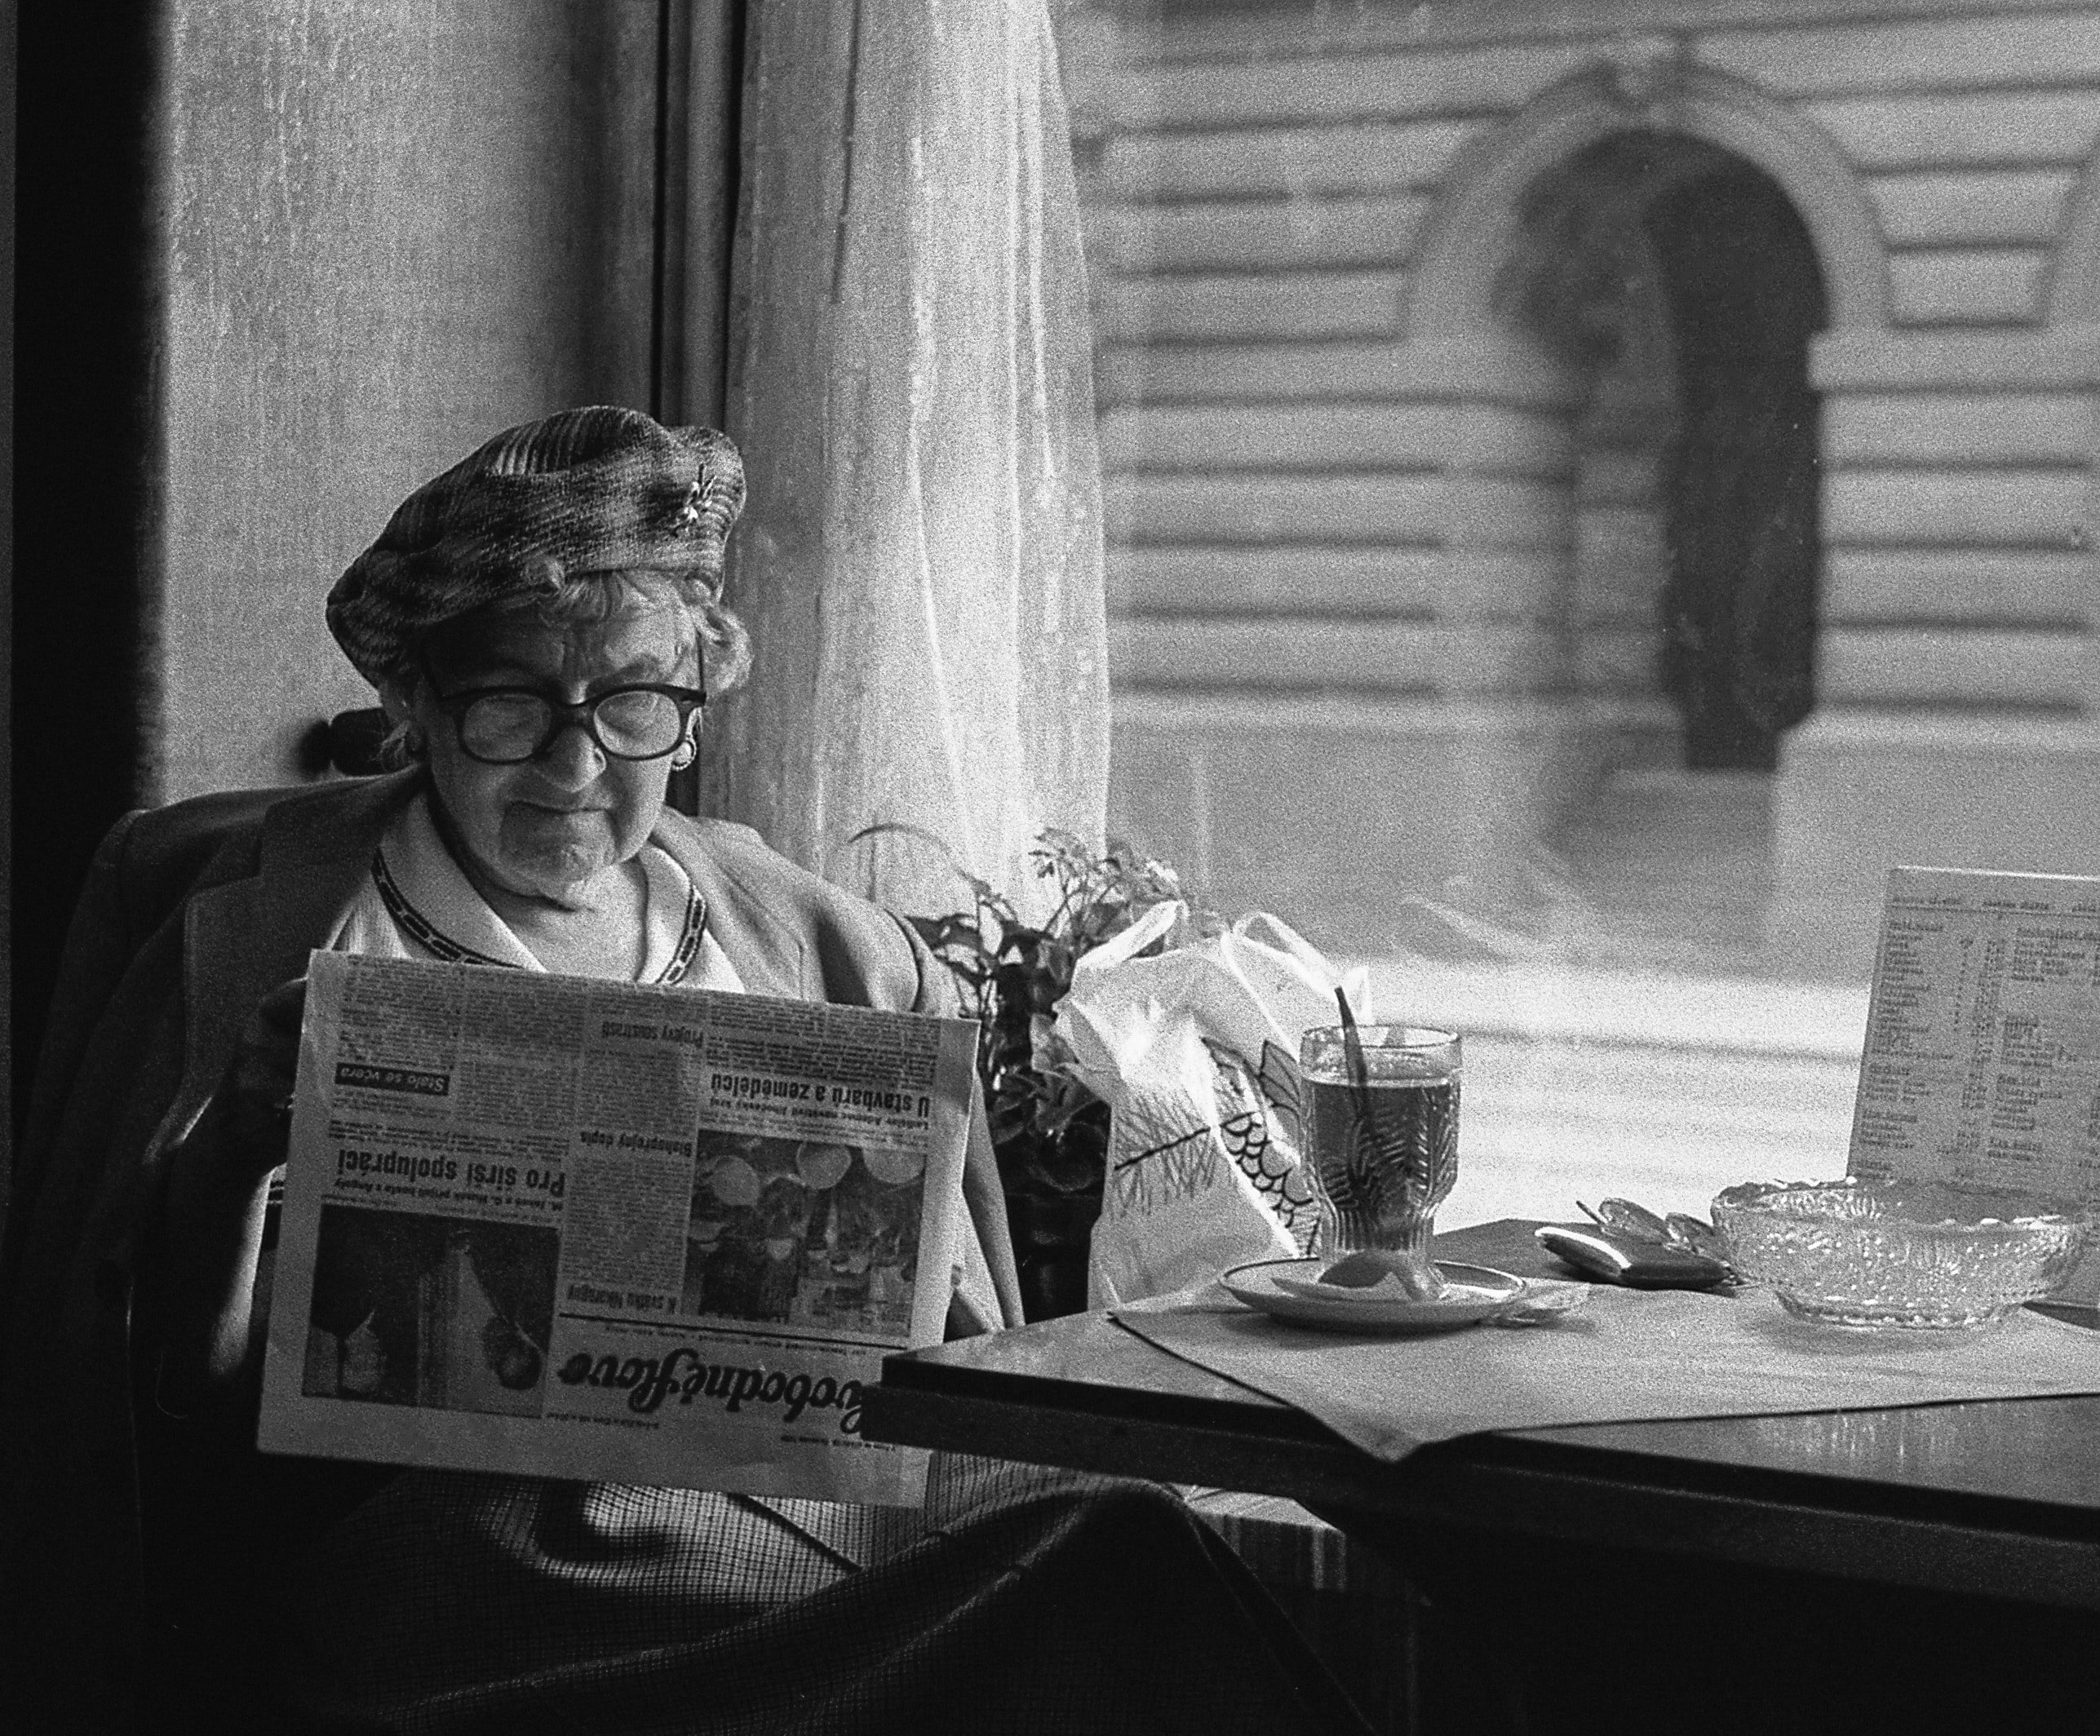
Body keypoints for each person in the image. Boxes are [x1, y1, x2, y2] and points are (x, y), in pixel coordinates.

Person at [0, 407, 1372, 1735]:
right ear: (416, 702)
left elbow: (955, 1354)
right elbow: (139, 1419)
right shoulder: (262, 928)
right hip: (460, 1576)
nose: (575, 764)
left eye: (633, 707)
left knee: (1120, 1546)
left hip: (800, 1529)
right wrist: (239, 1150)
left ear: (695, 710)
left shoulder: (829, 945)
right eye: (509, 706)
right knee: (1097, 1595)